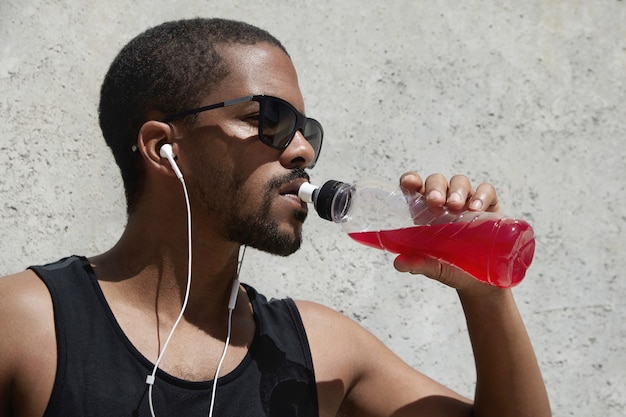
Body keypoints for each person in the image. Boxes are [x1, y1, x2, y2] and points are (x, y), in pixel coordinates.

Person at [0, 17, 551, 417]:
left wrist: (485, 291)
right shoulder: (27, 326)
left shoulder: (320, 349)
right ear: (163, 147)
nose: (302, 152)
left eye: (306, 132)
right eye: (268, 119)